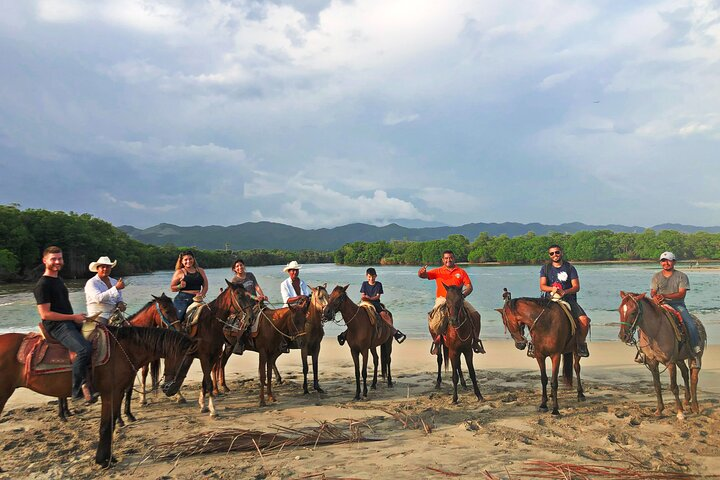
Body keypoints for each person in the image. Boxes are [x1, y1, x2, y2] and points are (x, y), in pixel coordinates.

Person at [34, 246, 99, 404]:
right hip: (56, 326)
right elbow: (45, 314)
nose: (57, 262)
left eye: (60, 259)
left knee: (100, 334)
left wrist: (79, 318)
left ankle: (93, 381)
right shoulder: (42, 285)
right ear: (44, 261)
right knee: (84, 349)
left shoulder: (58, 280)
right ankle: (77, 392)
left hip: (68, 321)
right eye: (53, 259)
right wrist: (73, 317)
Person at [418, 250, 484, 355]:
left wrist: (463, 295)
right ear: (443, 260)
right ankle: (437, 342)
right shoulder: (438, 271)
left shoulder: (461, 272)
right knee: (433, 318)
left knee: (476, 315)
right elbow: (424, 275)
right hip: (442, 299)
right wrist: (421, 273)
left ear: (454, 258)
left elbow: (469, 287)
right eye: (446, 258)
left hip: (458, 299)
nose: (449, 260)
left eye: (450, 258)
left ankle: (475, 340)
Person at [539, 244, 590, 357]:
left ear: (561, 252)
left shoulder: (570, 268)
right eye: (552, 253)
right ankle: (534, 344)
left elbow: (576, 287)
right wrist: (552, 289)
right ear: (549, 255)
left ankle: (581, 344)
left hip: (568, 299)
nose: (555, 255)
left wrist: (564, 292)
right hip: (550, 299)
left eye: (557, 252)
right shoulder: (545, 268)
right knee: (534, 319)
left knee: (584, 321)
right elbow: (542, 286)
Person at [651, 251, 701, 359]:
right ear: (660, 263)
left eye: (668, 260)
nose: (666, 263)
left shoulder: (681, 276)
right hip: (660, 304)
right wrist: (655, 297)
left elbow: (682, 293)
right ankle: (644, 351)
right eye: (663, 261)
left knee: (690, 323)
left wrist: (665, 296)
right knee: (643, 319)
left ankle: (694, 347)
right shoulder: (656, 276)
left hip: (677, 304)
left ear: (674, 262)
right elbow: (653, 291)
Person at [337, 267, 406, 345]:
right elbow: (363, 295)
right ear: (367, 276)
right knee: (356, 316)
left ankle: (394, 332)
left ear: (376, 276)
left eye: (373, 276)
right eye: (369, 276)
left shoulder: (378, 284)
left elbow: (378, 296)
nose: (371, 278)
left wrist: (370, 298)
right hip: (365, 303)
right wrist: (366, 298)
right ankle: (345, 333)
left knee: (383, 314)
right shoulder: (364, 284)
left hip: (375, 303)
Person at [84, 256, 126, 324]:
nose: (105, 269)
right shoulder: (91, 282)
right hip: (98, 315)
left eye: (108, 267)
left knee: (130, 327)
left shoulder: (114, 281)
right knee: (105, 330)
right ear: (97, 269)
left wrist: (120, 303)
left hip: (114, 315)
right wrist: (116, 288)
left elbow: (119, 298)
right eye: (102, 267)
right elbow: (98, 298)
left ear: (110, 268)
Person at [170, 250, 209, 322]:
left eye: (190, 259)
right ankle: (174, 332)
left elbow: (205, 286)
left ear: (193, 259)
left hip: (198, 298)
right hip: (183, 299)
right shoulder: (179, 272)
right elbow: (172, 288)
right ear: (181, 261)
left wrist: (202, 294)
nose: (188, 261)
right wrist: (179, 286)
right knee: (179, 318)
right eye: (185, 260)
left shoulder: (200, 270)